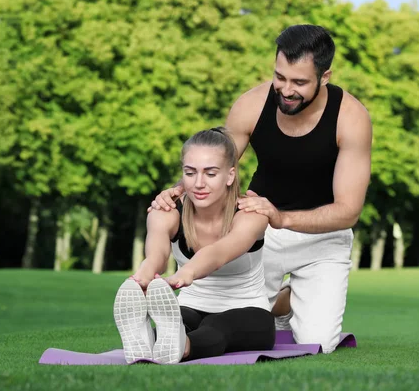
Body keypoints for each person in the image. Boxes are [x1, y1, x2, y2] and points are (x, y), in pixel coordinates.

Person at [149, 24, 372, 354]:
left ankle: (287, 301)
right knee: (217, 315)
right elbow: (216, 164)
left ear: (325, 77)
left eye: (299, 82)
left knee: (318, 342)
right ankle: (186, 332)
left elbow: (348, 211)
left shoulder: (351, 118)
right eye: (280, 77)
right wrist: (175, 191)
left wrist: (281, 217)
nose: (286, 89)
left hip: (323, 240)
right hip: (257, 230)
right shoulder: (251, 105)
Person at [113, 127, 275, 364]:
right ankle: (146, 340)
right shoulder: (166, 212)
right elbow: (157, 253)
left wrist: (184, 273)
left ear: (230, 176)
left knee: (216, 325)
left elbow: (219, 253)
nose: (199, 183)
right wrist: (144, 276)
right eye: (190, 173)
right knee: (179, 319)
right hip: (191, 304)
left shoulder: (251, 213)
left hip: (249, 311)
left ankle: (184, 346)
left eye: (210, 174)